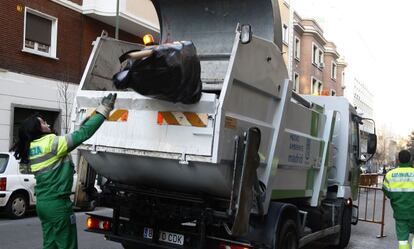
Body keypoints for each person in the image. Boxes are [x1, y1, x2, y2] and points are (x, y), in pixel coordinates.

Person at [11, 93, 117, 249]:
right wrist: (104, 110)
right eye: (43, 122)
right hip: (58, 206)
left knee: (50, 244)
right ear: (37, 128)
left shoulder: (32, 147)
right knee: (67, 245)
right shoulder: (51, 143)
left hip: (43, 205)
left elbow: (75, 135)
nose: (47, 123)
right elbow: (82, 134)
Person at [383, 150, 414, 249]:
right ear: (410, 159)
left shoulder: (390, 175)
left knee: (403, 241)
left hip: (400, 213)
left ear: (398, 160)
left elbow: (387, 192)